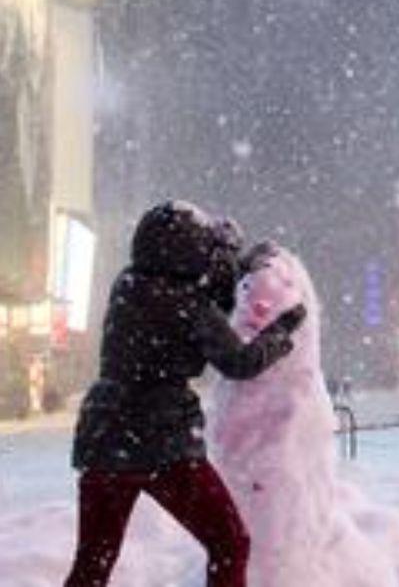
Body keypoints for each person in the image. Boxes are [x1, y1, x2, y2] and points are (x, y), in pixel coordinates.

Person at [65, 201, 307, 587]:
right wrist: (281, 331)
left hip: (103, 436)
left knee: (93, 564)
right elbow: (240, 361)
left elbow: (200, 293)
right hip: (162, 443)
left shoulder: (127, 285)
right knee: (229, 542)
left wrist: (230, 266)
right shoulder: (190, 305)